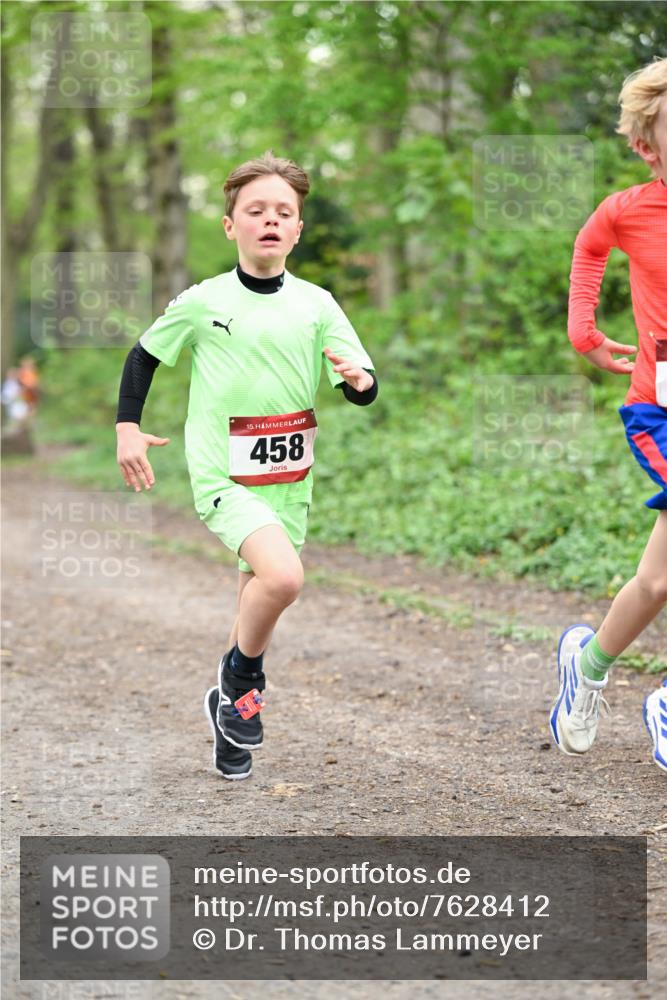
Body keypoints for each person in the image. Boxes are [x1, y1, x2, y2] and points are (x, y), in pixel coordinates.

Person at [116, 151, 378, 780]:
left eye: (283, 212)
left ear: (297, 230)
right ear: (230, 225)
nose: (270, 220)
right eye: (255, 210)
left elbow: (363, 385)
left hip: (290, 477)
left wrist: (357, 379)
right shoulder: (203, 301)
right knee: (284, 580)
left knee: (254, 600)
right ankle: (241, 677)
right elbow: (144, 356)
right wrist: (127, 428)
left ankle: (228, 716)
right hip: (223, 474)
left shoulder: (317, 303)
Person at [549, 58, 667, 773]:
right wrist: (583, 334)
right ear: (646, 146)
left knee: (656, 581)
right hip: (658, 412)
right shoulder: (627, 210)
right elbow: (588, 249)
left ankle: (587, 667)